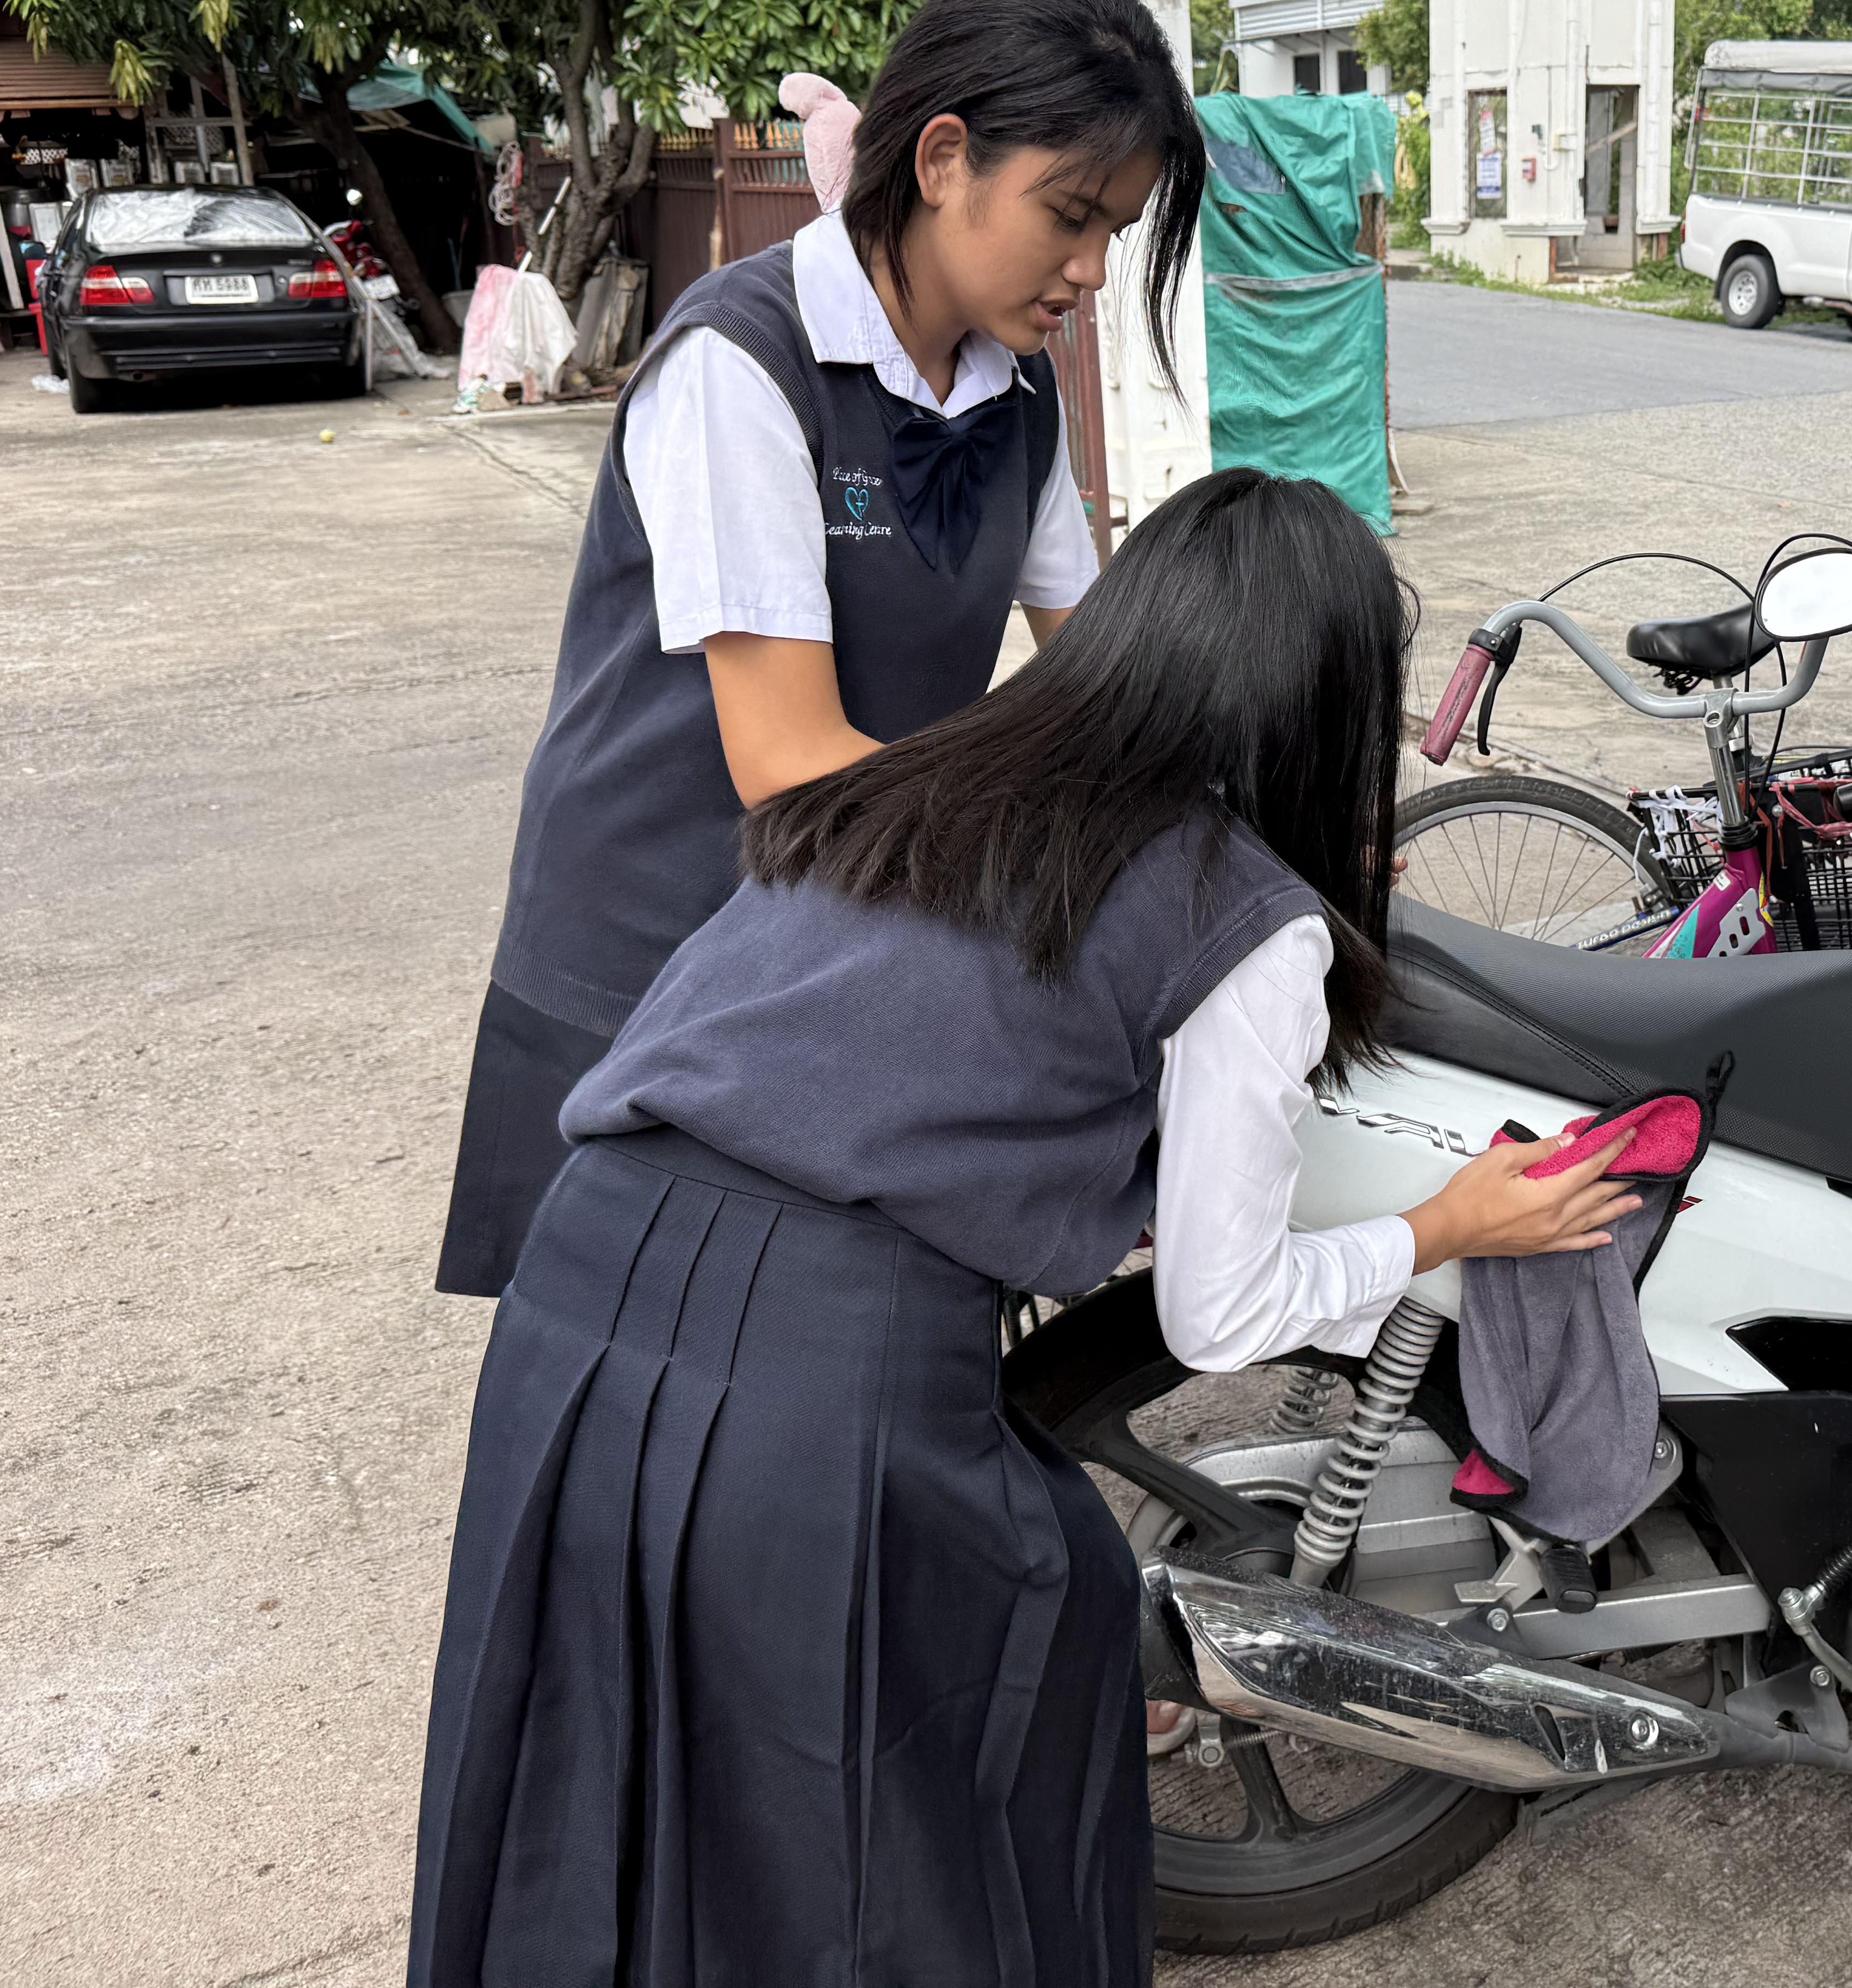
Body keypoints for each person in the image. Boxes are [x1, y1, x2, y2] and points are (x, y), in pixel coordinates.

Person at [407, 472, 1643, 1986]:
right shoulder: (1241, 909)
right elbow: (1225, 1315)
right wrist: (1448, 1224)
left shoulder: (911, 784)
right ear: (1321, 714)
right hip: (818, 1359)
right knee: (927, 1790)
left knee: (602, 1763)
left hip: (578, 1300)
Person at [435, 0, 1206, 1299]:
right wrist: (1049, 860)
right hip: (660, 944)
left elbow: (1095, 677)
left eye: (1114, 235)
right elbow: (785, 756)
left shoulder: (1012, 397)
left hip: (843, 920)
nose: (1088, 270)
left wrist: (1218, 814)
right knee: (661, 1370)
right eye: (1070, 214)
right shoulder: (743, 363)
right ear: (947, 157)